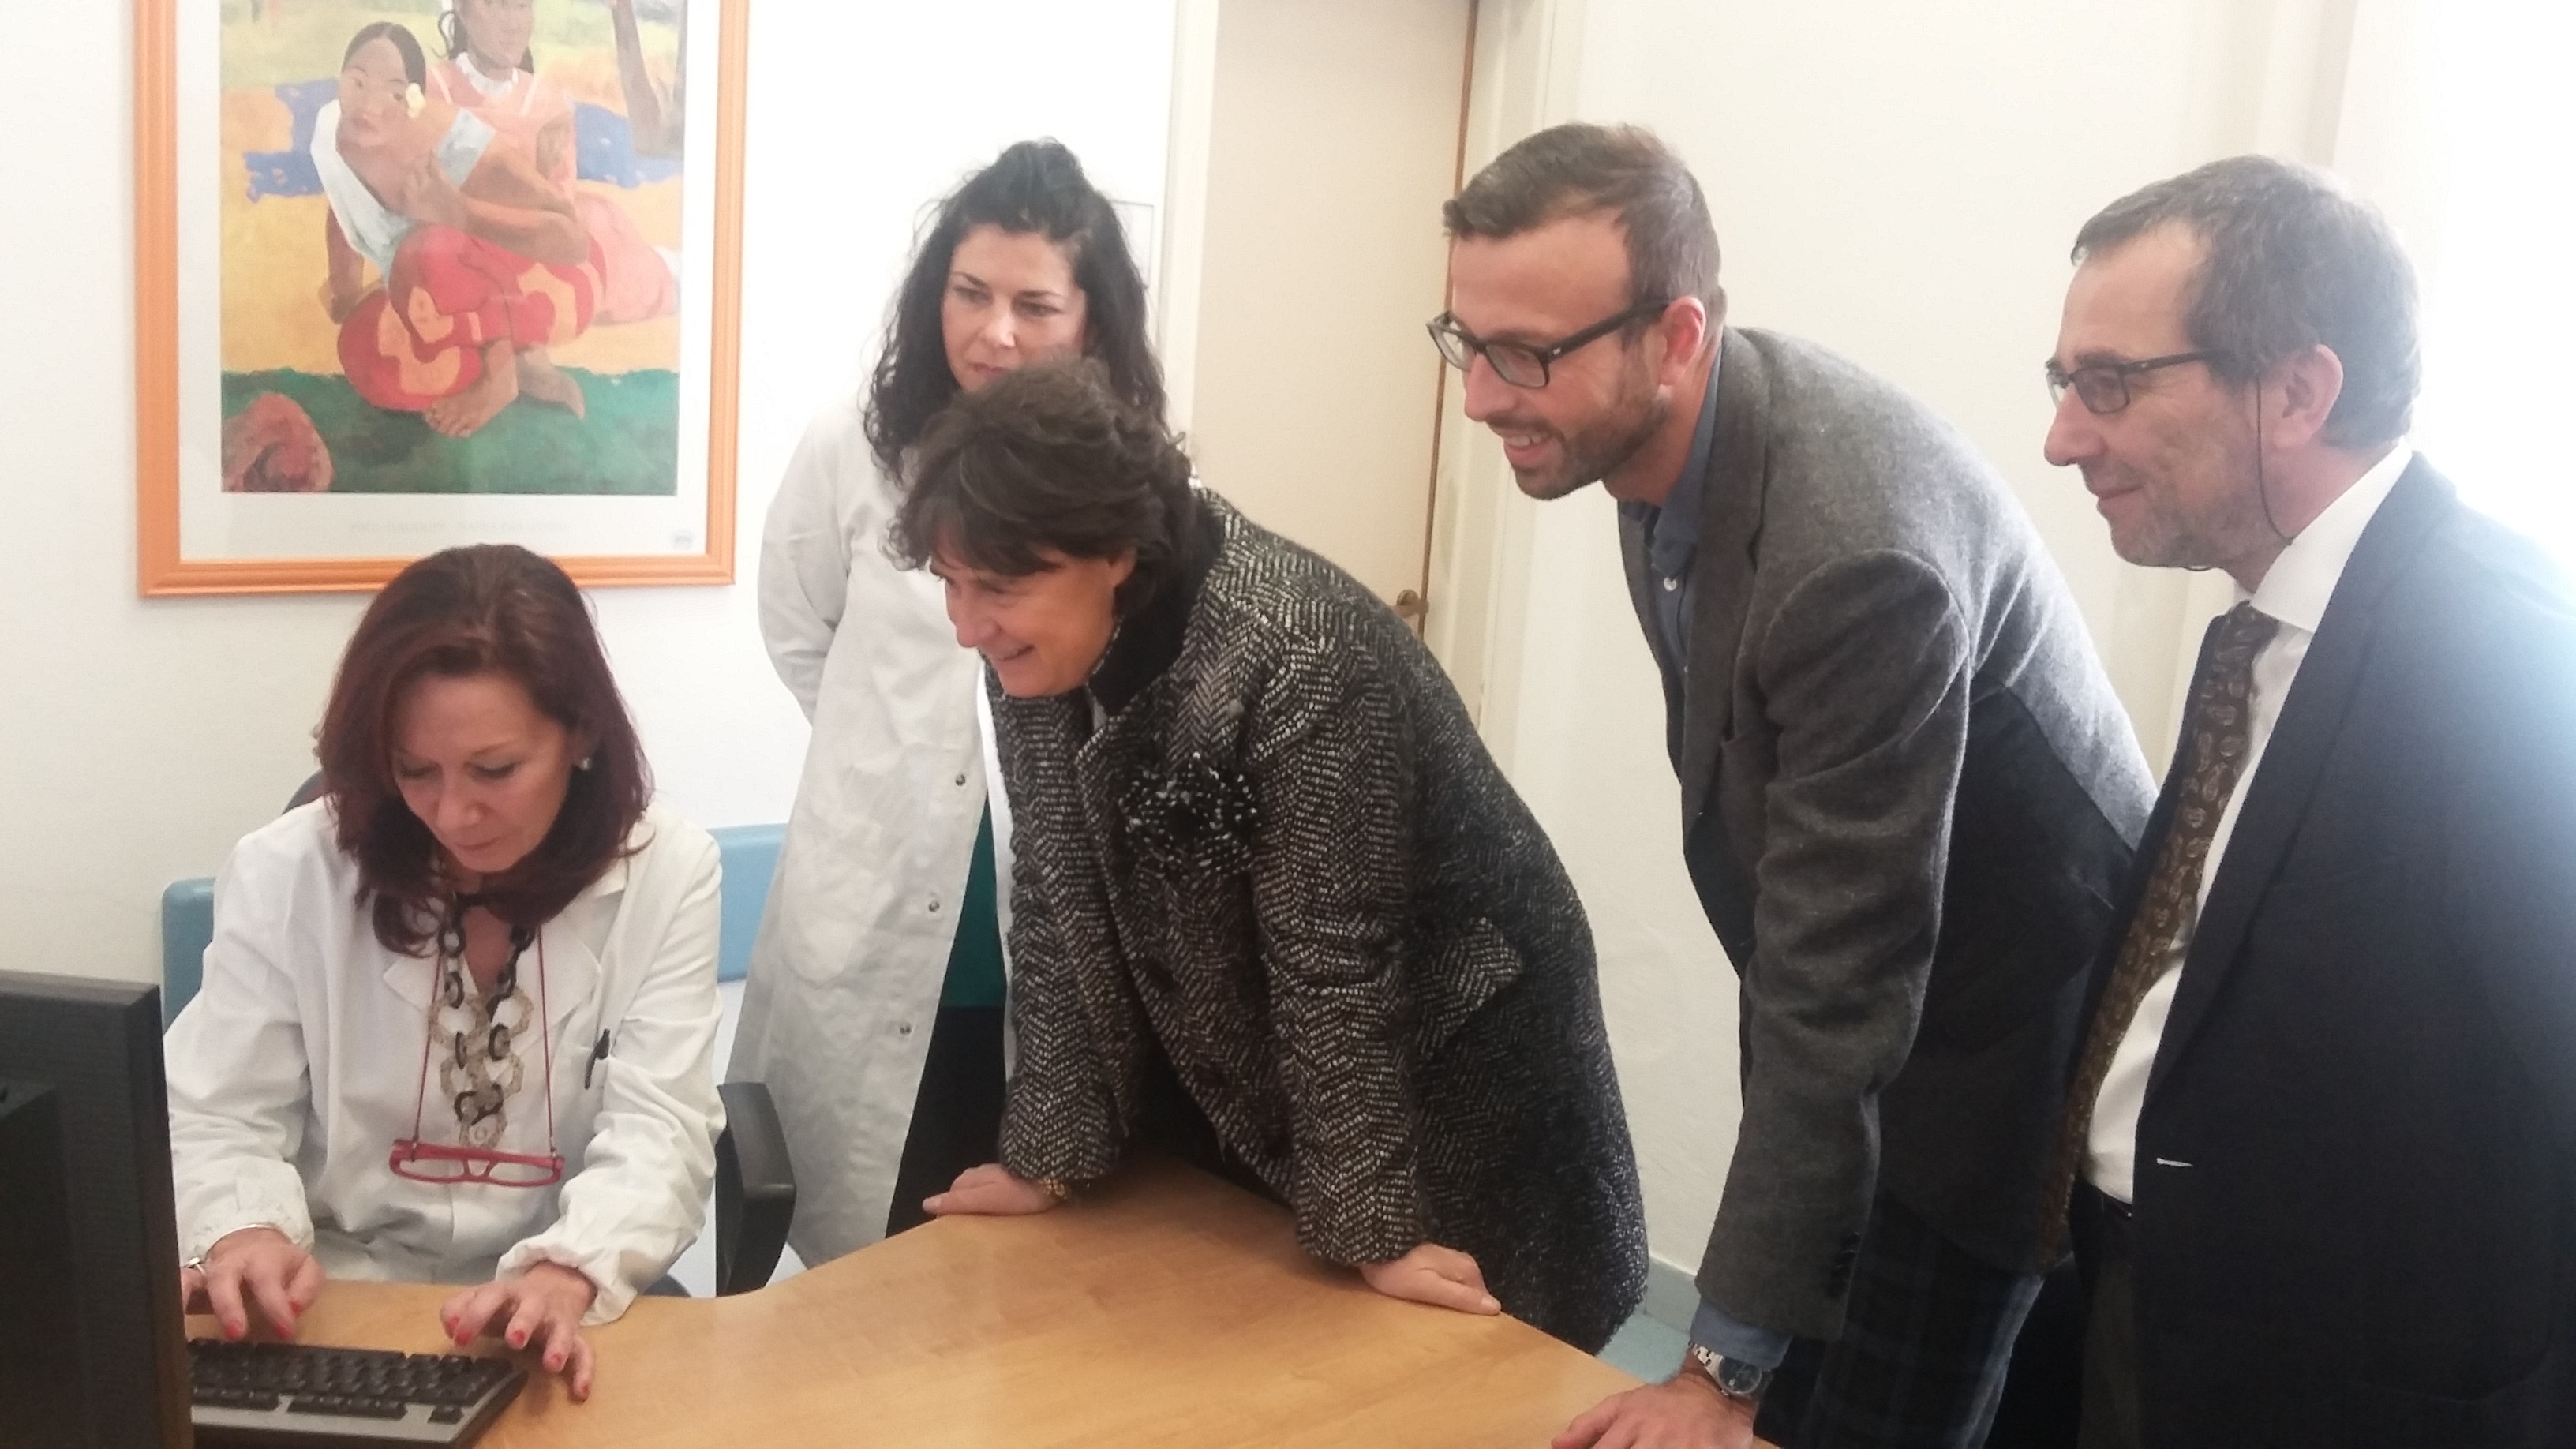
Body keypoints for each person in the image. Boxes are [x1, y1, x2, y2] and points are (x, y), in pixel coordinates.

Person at [1431, 124, 2155, 1447]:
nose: (1480, 397)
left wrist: (1715, 1372)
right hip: (1872, 995)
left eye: (1525, 354)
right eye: (1463, 342)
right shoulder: (1654, 448)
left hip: (2001, 1030)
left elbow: (1839, 986)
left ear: (1675, 337)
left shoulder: (1850, 555)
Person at [897, 361, 1648, 1353]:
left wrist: (1377, 1232)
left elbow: (1332, 962)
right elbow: (1054, 894)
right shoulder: (1037, 645)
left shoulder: (1294, 651)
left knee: (1456, 1376)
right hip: (1300, 1065)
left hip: (1454, 1058)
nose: (967, 626)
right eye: (950, 584)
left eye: (997, 588)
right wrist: (1048, 1153)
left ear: (1115, 552)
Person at [2041, 156, 2576, 1448]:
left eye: (2109, 384)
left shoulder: (2496, 650)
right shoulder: (2259, 631)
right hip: (2160, 1319)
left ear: (2296, 392)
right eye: (2063, 384)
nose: (2064, 439)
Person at [727, 140, 1164, 1264]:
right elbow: (798, 628)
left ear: (1093, 322)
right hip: (873, 887)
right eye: (970, 294)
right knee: (867, 1241)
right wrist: (894, 756)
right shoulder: (852, 445)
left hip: (1043, 908)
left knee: (1022, 1249)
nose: (995, 333)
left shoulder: (1133, 482)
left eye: (1035, 305)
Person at [164, 544, 724, 1402]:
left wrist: (568, 1270)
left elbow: (663, 1128)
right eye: (415, 771)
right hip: (332, 1296)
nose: (454, 814)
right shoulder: (290, 871)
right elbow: (218, 1109)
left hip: (556, 1295)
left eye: (495, 771)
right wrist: (242, 1230)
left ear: (581, 734)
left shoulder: (669, 873)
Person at [315, 23, 601, 438]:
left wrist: (459, 212)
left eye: (393, 93)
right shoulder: (331, 130)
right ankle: (505, 366)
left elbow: (573, 241)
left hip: (533, 278)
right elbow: (342, 205)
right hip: (436, 293)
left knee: (426, 246)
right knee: (363, 352)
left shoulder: (456, 144)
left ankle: (504, 372)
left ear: (414, 99)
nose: (369, 106)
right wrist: (345, 291)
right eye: (357, 83)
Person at [429, 0, 680, 327]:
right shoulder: (432, 91)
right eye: (498, 6)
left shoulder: (548, 103)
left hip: (539, 247)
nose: (513, 23)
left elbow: (559, 208)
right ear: (463, 10)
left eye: (522, 6)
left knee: (603, 234)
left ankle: (669, 270)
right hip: (460, 250)